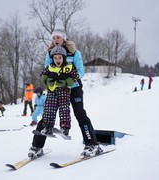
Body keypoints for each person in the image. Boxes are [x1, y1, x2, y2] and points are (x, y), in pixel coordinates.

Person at [28, 29, 103, 158]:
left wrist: (67, 79)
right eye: (53, 38)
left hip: (73, 88)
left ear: (64, 39)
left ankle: (92, 144)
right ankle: (37, 147)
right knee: (48, 114)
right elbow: (47, 70)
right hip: (57, 89)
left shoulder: (75, 53)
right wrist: (52, 81)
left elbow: (80, 71)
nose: (55, 40)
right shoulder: (50, 53)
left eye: (58, 37)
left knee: (80, 114)